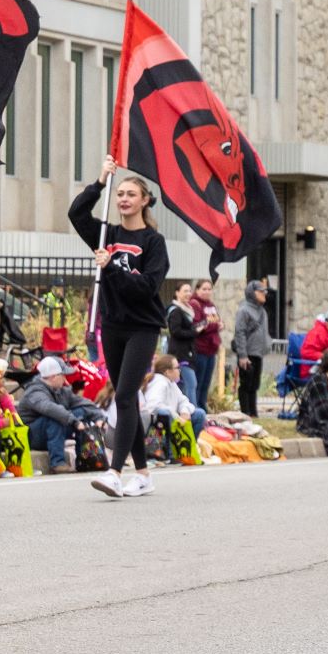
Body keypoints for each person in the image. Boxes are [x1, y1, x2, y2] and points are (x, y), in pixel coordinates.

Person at [71, 154, 169, 500]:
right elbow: (76, 214)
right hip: (112, 324)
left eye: (130, 194)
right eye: (120, 194)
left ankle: (115, 472)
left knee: (126, 394)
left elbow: (144, 287)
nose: (124, 199)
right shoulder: (105, 233)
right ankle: (143, 474)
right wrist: (100, 182)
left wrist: (111, 266)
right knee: (126, 399)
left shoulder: (154, 244)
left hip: (143, 327)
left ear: (144, 201)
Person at [231, 278, 274, 418]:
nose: (264, 294)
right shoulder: (244, 310)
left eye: (265, 291)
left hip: (258, 353)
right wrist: (242, 355)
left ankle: (253, 413)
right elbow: (240, 332)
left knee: (255, 384)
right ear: (252, 293)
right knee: (246, 384)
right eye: (261, 291)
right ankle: (245, 412)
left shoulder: (262, 311)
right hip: (247, 353)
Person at [187, 281, 222, 406]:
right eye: (204, 289)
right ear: (197, 290)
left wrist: (214, 325)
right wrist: (215, 326)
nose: (207, 291)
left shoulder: (211, 305)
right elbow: (199, 326)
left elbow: (218, 322)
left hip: (211, 349)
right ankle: (196, 407)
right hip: (200, 349)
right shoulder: (194, 304)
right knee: (198, 382)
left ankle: (203, 405)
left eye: (209, 289)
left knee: (206, 382)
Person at [164, 291, 200, 406]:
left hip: (189, 353)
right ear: (177, 293)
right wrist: (194, 332)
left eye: (189, 291)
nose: (188, 294)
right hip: (180, 355)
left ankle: (183, 409)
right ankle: (194, 412)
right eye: (185, 291)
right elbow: (175, 331)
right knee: (191, 384)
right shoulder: (175, 311)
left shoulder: (189, 311)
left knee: (181, 386)